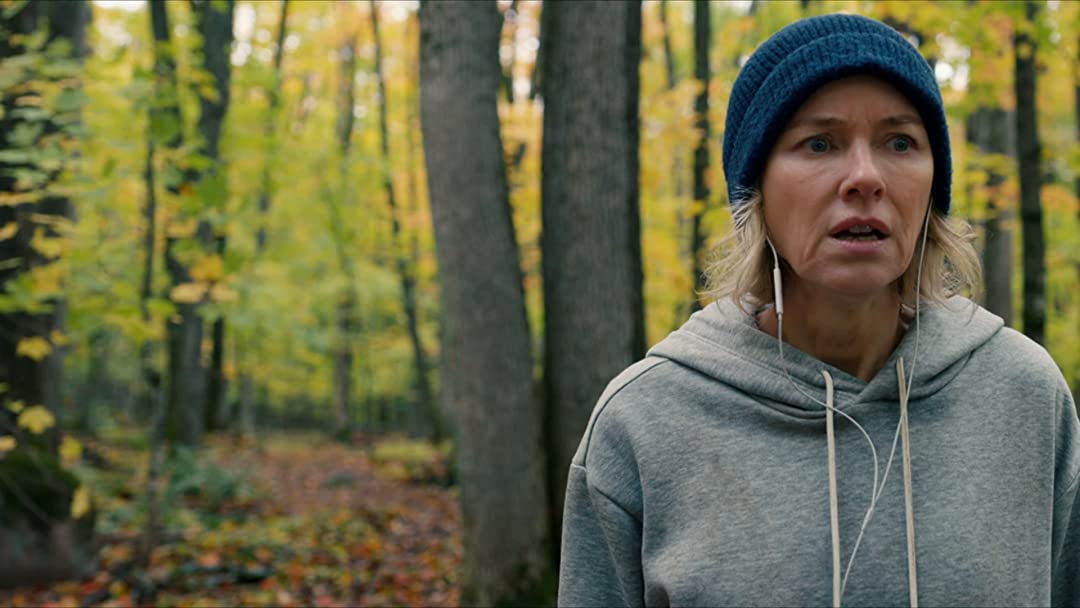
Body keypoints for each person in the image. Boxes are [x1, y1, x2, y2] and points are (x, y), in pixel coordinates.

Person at [557, 12, 1079, 607]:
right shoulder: (644, 422)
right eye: (819, 143)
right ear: (755, 190)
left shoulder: (1024, 395)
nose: (865, 178)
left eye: (900, 142)